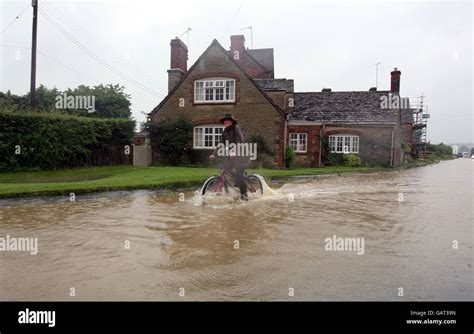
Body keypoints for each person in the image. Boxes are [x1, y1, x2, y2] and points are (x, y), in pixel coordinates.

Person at [209, 113, 251, 201]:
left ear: (231, 121)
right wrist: (214, 154)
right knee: (225, 167)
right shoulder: (225, 132)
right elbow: (221, 144)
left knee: (239, 175)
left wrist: (235, 151)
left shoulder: (236, 128)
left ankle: (244, 196)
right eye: (225, 120)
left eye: (227, 120)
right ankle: (236, 184)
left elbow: (241, 141)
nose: (226, 122)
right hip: (232, 155)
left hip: (241, 155)